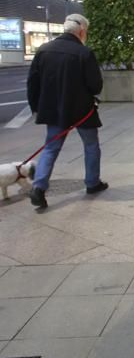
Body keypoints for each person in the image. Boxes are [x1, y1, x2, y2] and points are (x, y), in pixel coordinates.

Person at [26, 13, 108, 211]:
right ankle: (92, 182)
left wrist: (35, 108)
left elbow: (32, 83)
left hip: (54, 110)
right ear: (81, 31)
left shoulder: (44, 50)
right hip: (82, 110)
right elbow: (95, 85)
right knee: (91, 146)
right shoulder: (84, 53)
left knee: (50, 148)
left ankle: (38, 187)